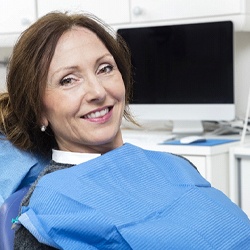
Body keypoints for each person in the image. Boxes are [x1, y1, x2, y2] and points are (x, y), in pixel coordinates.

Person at [0, 11, 249, 249]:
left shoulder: (177, 165)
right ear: (38, 109)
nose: (98, 92)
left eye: (105, 68)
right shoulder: (46, 214)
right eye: (68, 80)